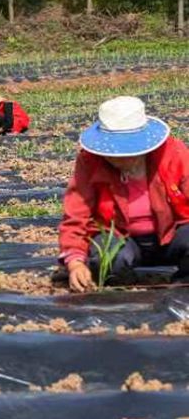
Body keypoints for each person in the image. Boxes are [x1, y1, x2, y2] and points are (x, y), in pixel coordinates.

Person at [59, 96, 189, 293]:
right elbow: (76, 213)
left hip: (171, 234)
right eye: (112, 154)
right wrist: (75, 262)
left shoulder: (172, 152)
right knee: (110, 260)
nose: (119, 159)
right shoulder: (90, 162)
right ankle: (123, 287)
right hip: (120, 236)